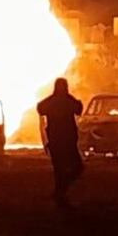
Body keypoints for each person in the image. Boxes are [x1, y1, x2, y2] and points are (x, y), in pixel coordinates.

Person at [37, 77, 84, 206]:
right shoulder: (68, 100)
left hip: (56, 141)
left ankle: (60, 190)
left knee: (59, 169)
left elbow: (40, 108)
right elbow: (79, 109)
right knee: (77, 167)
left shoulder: (51, 101)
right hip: (67, 141)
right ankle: (61, 191)